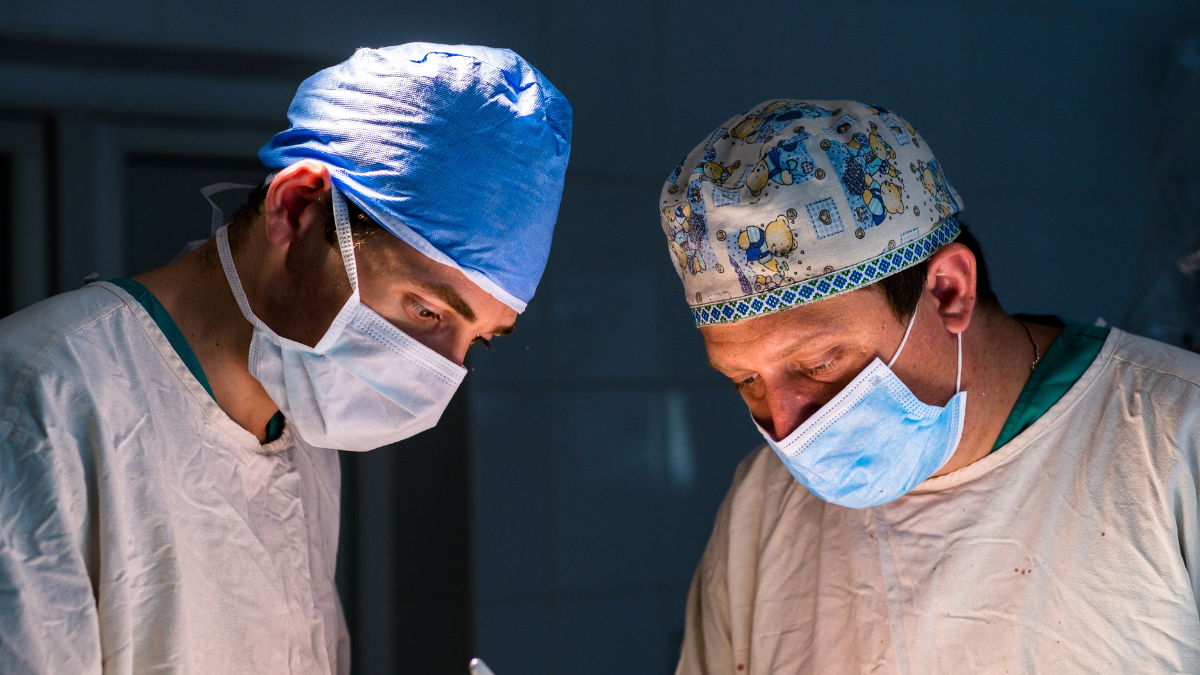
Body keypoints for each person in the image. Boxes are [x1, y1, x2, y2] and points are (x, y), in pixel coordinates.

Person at [0, 43, 570, 674]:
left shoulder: (298, 428)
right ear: (296, 208)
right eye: (426, 311)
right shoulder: (38, 405)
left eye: (480, 340)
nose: (442, 373)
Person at [661, 100, 1200, 673]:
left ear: (948, 291)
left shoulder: (1174, 442)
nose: (789, 428)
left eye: (819, 364)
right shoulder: (763, 506)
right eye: (746, 380)